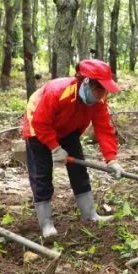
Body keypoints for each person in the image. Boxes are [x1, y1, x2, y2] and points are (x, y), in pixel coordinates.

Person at [22, 59, 122, 238]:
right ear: (85, 82)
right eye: (98, 89)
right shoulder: (57, 92)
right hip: (38, 127)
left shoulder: (98, 100)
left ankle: (90, 215)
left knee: (79, 169)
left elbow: (104, 128)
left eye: (104, 90)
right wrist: (54, 147)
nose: (101, 94)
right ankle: (46, 224)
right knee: (42, 174)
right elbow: (40, 122)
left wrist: (111, 159)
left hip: (67, 127)